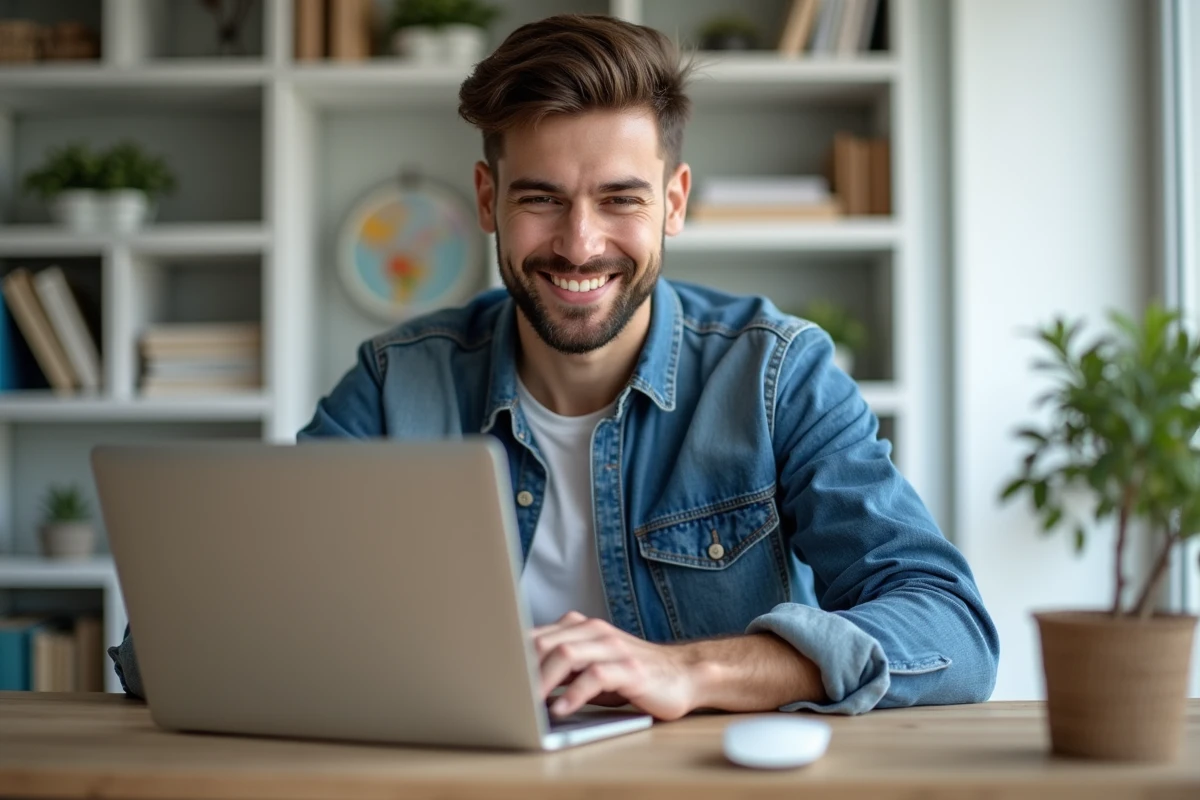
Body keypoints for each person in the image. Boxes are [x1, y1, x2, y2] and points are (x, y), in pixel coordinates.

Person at [110, 14, 998, 718]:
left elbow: (949, 628)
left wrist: (689, 672)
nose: (580, 245)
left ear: (674, 203)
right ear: (490, 200)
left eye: (621, 200)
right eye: (541, 200)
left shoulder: (779, 375)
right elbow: (172, 649)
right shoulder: (394, 385)